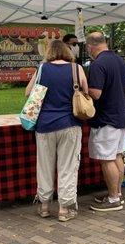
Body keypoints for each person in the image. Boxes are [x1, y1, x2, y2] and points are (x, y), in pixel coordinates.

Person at [25, 39, 88, 222]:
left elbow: (28, 92)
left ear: (49, 52)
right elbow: (85, 92)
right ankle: (64, 209)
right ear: (67, 51)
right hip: (70, 123)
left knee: (44, 166)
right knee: (67, 167)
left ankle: (44, 206)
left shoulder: (42, 68)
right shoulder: (76, 69)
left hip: (44, 125)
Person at [86, 32, 125, 212]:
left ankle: (112, 199)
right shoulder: (119, 60)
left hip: (105, 119)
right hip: (120, 115)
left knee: (106, 159)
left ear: (90, 46)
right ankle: (117, 193)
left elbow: (96, 93)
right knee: (117, 155)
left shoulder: (98, 64)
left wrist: (81, 87)